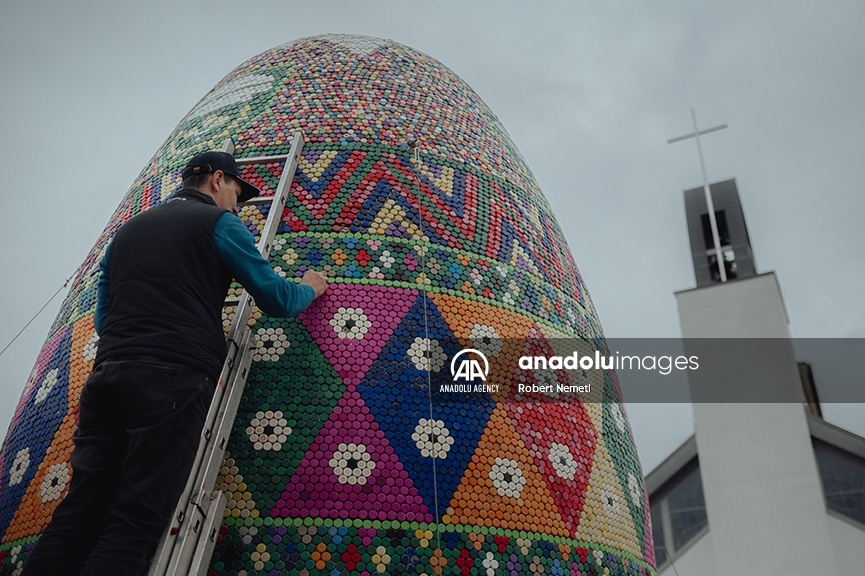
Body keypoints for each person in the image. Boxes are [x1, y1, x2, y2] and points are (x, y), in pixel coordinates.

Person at [22, 151, 328, 576]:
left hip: (107, 378)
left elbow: (103, 317)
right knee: (134, 523)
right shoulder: (220, 225)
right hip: (172, 381)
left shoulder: (127, 232)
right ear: (218, 181)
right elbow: (275, 297)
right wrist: (309, 288)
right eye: (237, 194)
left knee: (77, 516)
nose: (237, 206)